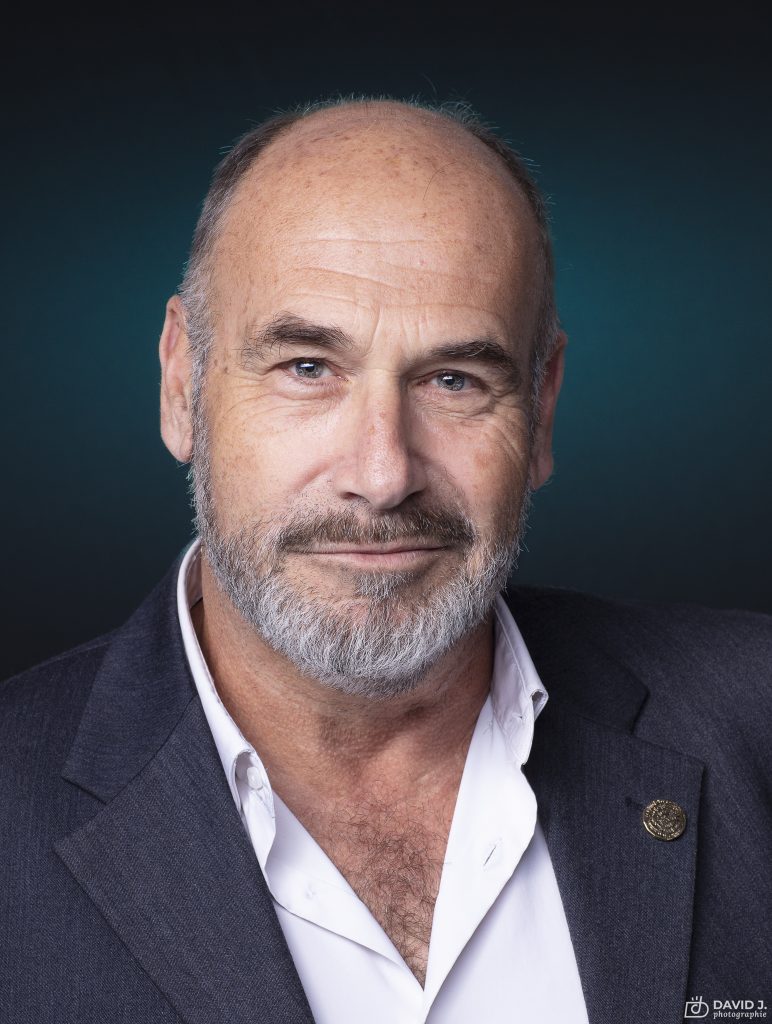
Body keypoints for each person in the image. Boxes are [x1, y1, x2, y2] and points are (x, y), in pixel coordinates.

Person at [1, 97, 769, 1024]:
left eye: (454, 380)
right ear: (181, 385)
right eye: (307, 368)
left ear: (542, 410)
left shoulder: (753, 721)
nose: (382, 475)